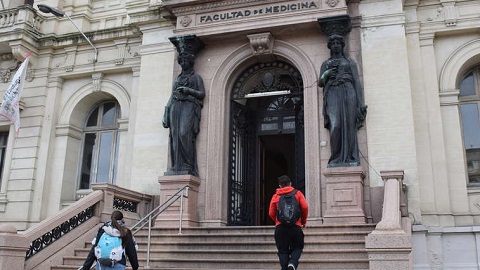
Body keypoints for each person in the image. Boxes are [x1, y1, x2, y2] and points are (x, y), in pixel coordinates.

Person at [319, 34, 367, 167]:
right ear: (330, 46)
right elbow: (320, 82)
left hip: (348, 91)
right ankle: (336, 158)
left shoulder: (350, 62)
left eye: (338, 43)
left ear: (342, 45)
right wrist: (326, 74)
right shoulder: (326, 64)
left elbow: (357, 82)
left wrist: (359, 104)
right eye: (333, 43)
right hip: (333, 92)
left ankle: (350, 157)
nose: (335, 45)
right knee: (336, 126)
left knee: (350, 125)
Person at [162, 50, 205, 177]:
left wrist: (188, 90)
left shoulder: (196, 78)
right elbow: (171, 95)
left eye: (186, 60)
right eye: (181, 61)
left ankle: (187, 164)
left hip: (189, 105)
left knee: (184, 133)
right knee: (174, 135)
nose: (183, 63)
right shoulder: (178, 78)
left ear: (191, 62)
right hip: (175, 106)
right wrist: (166, 111)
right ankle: (176, 165)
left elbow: (202, 94)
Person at [269, 175, 309, 270]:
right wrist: (303, 221)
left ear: (280, 185)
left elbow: (271, 212)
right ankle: (292, 263)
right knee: (298, 247)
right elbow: (305, 207)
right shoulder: (298, 194)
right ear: (290, 183)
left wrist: (278, 221)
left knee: (283, 251)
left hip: (281, 227)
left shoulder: (276, 196)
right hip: (295, 226)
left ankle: (285, 267)